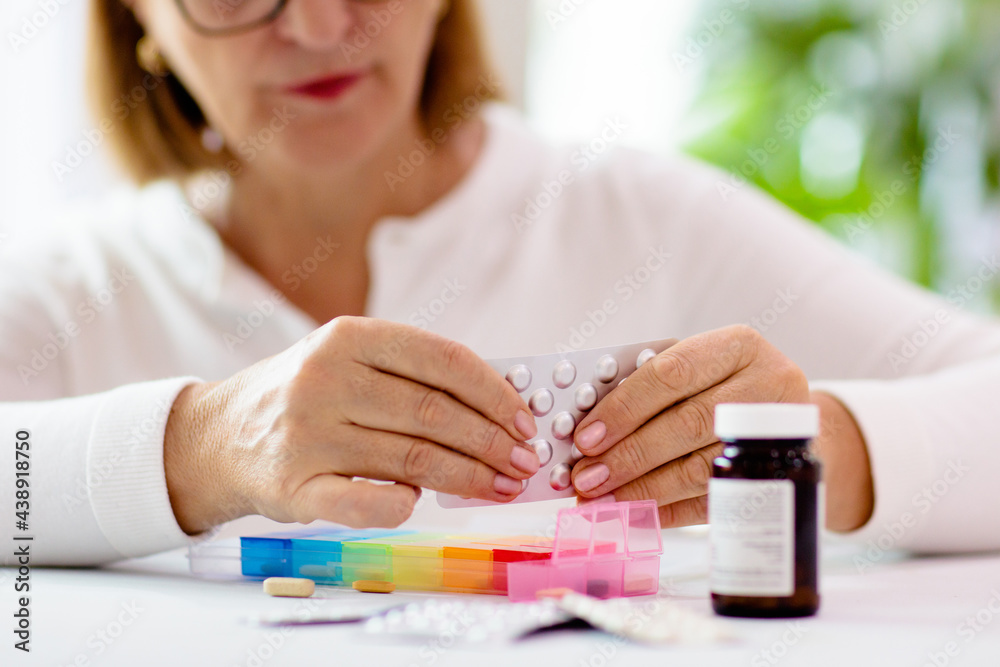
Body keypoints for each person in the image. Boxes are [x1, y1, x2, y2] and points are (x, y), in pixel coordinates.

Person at [2, 0, 999, 568]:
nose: (313, 22)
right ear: (136, 19)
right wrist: (193, 449)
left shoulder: (641, 216)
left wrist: (823, 445)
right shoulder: (73, 285)